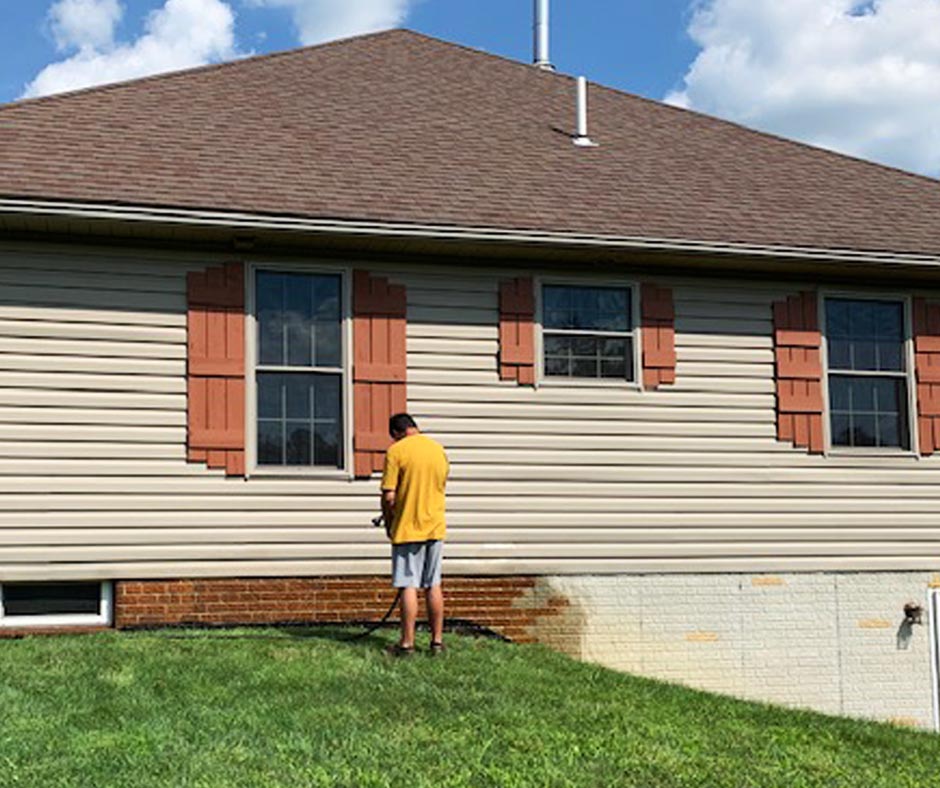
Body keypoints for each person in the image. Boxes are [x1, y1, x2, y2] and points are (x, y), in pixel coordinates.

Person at [380, 413, 449, 657]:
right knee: (433, 584)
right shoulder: (438, 450)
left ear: (397, 433)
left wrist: (389, 523)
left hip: (408, 528)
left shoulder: (396, 451)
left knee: (408, 585)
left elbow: (389, 496)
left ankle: (407, 644)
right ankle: (437, 643)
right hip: (435, 527)